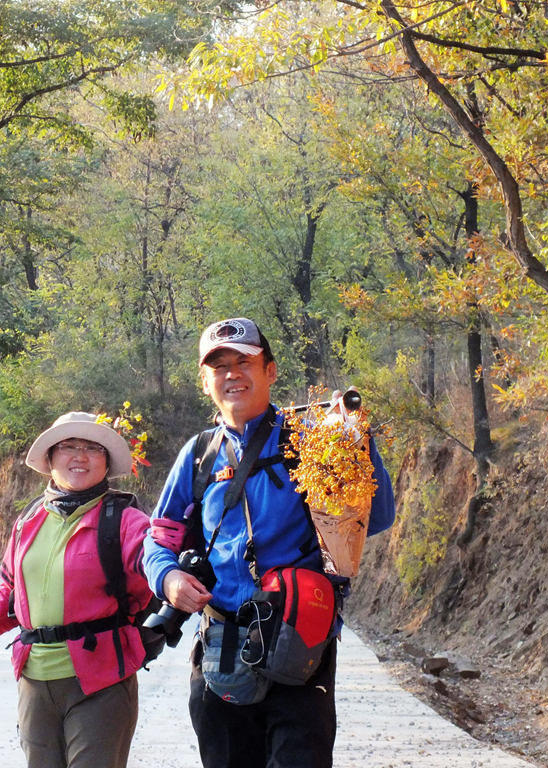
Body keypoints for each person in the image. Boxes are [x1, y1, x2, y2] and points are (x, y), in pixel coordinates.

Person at [142, 317, 396, 768]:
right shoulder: (198, 454)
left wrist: (356, 445)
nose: (232, 374)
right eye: (219, 366)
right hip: (222, 640)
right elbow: (159, 536)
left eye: (245, 361)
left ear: (271, 371)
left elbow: (374, 518)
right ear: (206, 382)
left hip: (300, 642)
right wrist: (167, 577)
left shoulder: (311, 440)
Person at [0, 411, 154, 768]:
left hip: (100, 681)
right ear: (51, 458)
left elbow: (153, 565)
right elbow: (11, 594)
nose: (80, 456)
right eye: (69, 446)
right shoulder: (29, 520)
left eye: (92, 448)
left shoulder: (126, 521)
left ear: (106, 461)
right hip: (34, 681)